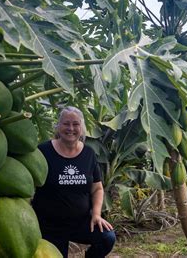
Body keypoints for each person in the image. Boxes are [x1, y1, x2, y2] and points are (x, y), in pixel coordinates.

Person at [32, 106, 116, 258]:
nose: (71, 128)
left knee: (107, 238)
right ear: (58, 126)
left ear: (82, 128)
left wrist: (96, 214)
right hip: (49, 225)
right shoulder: (43, 151)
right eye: (66, 123)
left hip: (81, 222)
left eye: (76, 124)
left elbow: (97, 188)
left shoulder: (89, 154)